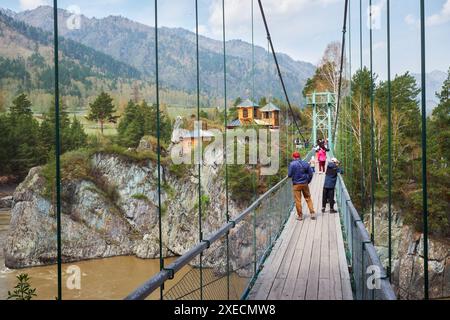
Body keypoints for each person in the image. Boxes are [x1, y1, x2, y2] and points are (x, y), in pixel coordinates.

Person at [288, 151, 315, 221]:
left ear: (293, 157)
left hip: (296, 185)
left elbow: (289, 175)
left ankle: (300, 216)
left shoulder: (292, 164)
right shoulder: (305, 163)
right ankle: (312, 213)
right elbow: (311, 174)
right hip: (305, 183)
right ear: (299, 156)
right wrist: (308, 181)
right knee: (308, 198)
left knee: (298, 200)